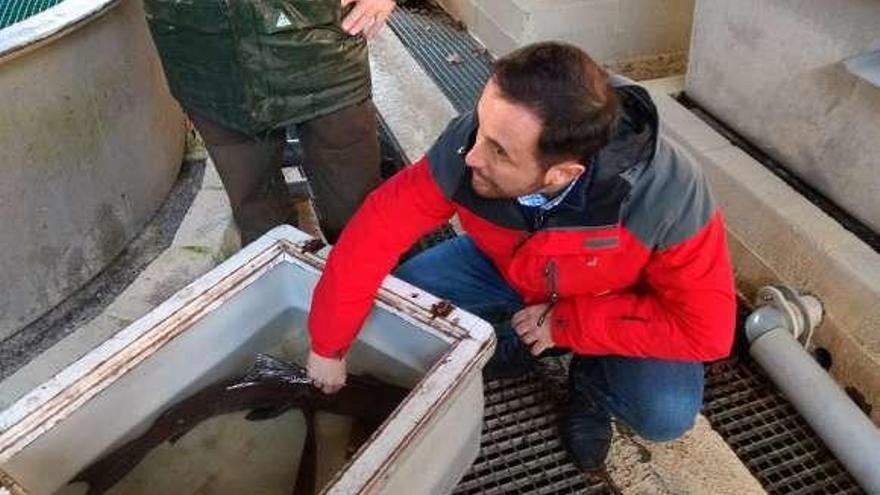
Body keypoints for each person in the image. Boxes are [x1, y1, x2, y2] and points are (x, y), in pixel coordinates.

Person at [306, 42, 736, 471]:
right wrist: (328, 344)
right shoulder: (471, 142)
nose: (471, 154)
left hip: (611, 297)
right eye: (481, 125)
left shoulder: (671, 193)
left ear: (562, 174)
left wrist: (569, 324)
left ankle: (588, 383)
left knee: (664, 413)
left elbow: (707, 332)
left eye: (499, 152)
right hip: (505, 265)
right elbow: (377, 229)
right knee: (402, 304)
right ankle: (522, 343)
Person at [145, 0, 397, 245]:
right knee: (258, 214)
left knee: (356, 207)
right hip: (203, 50)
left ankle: (368, 283)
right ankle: (280, 278)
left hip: (323, 39)